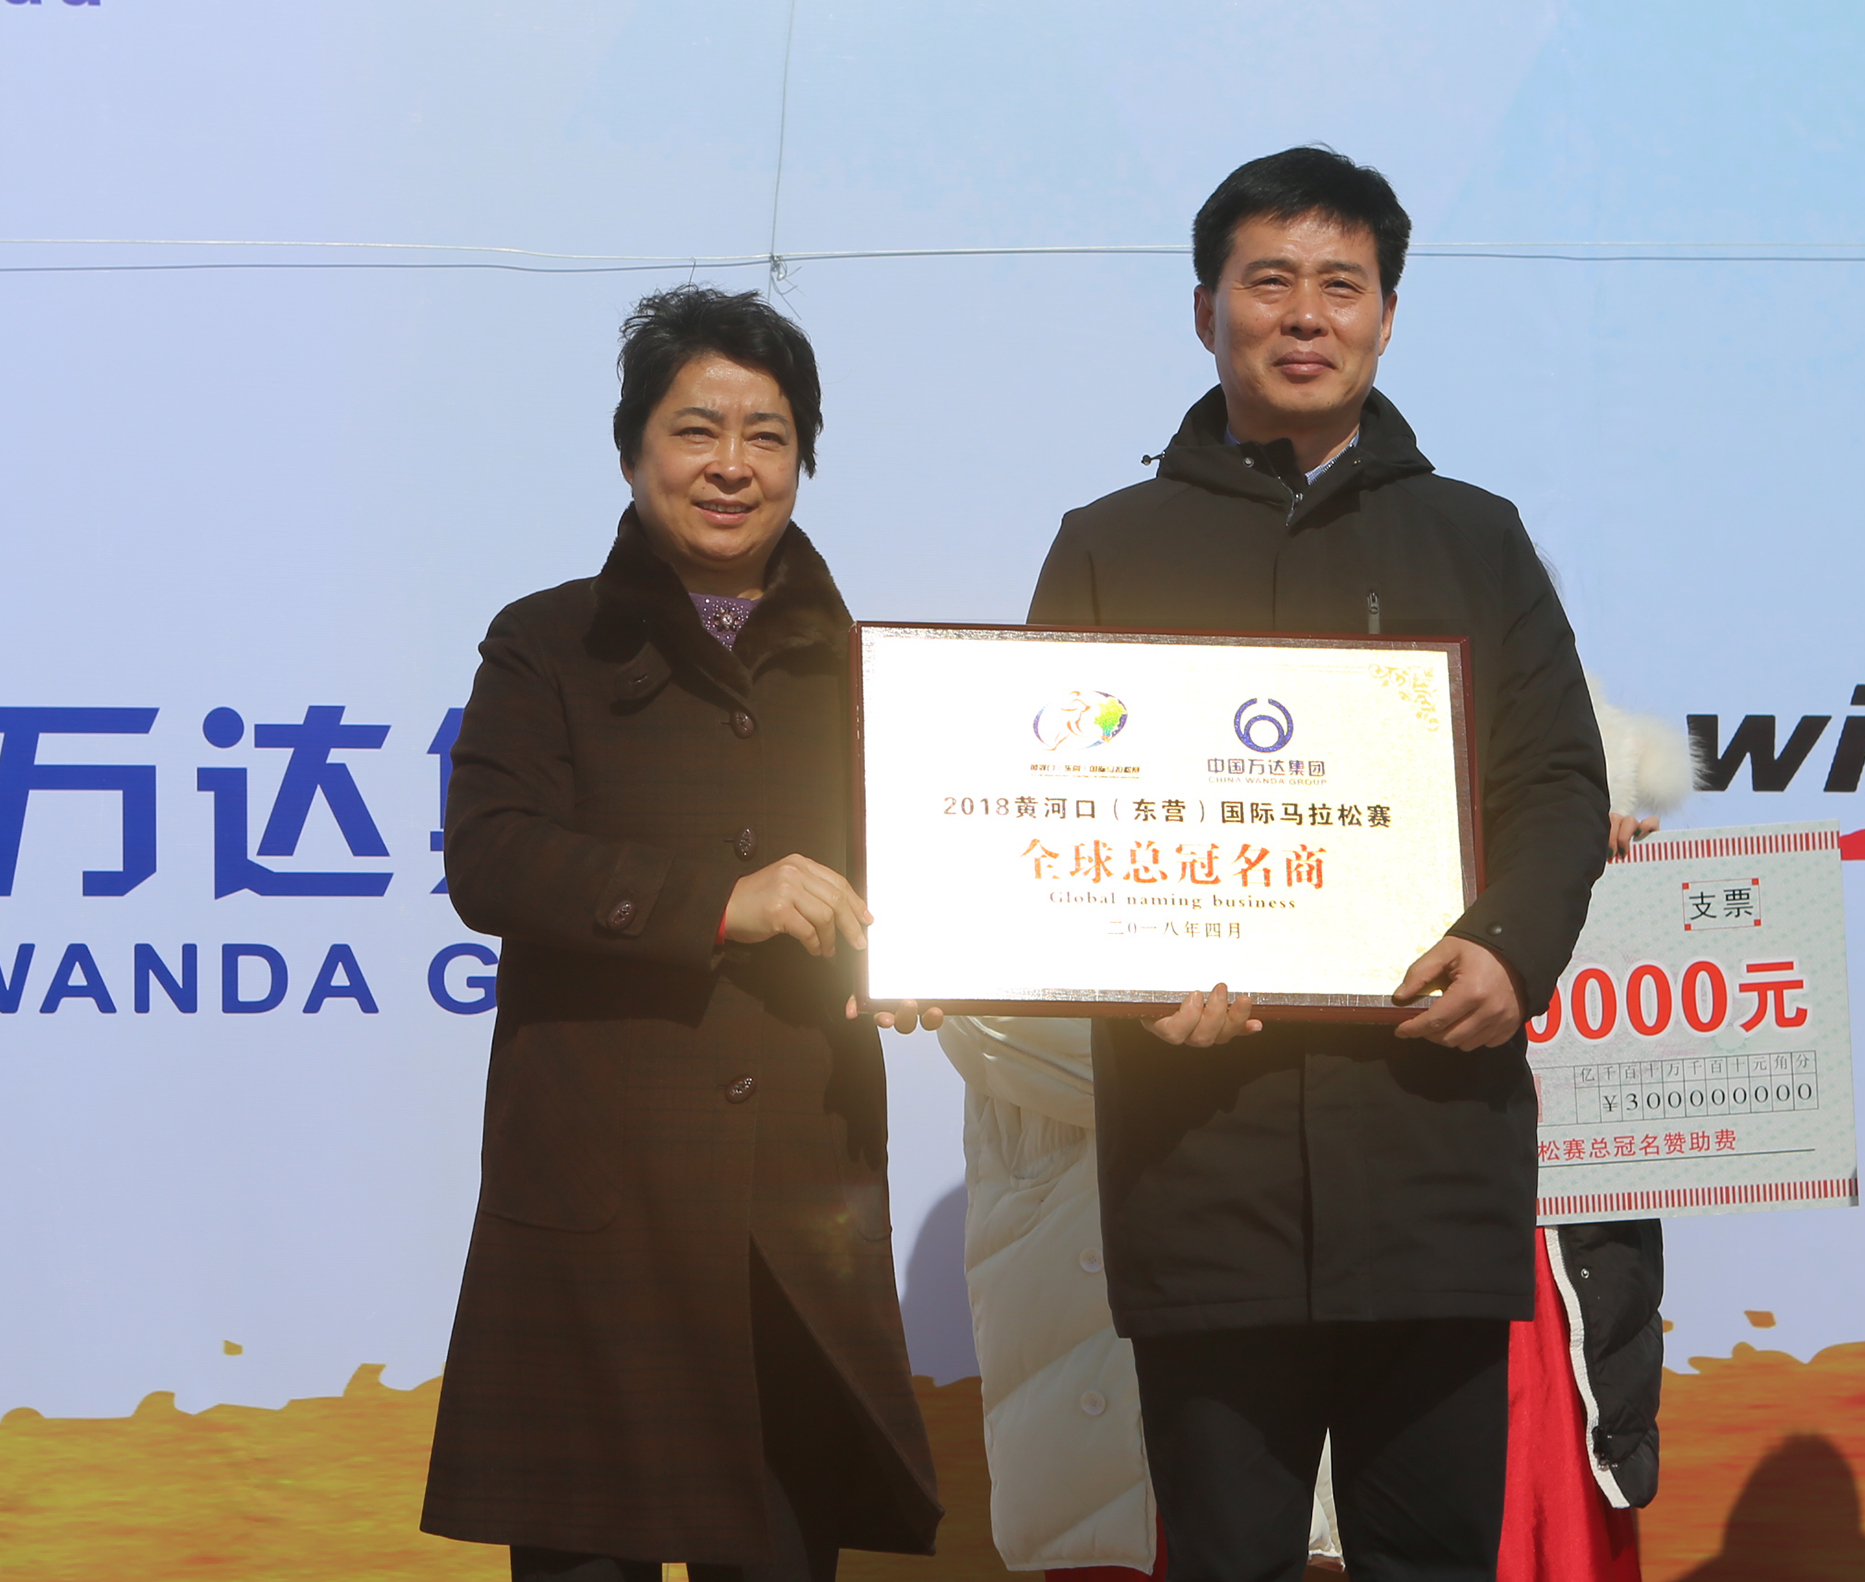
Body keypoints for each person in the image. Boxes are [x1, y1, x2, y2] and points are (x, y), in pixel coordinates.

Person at [1026, 148, 1611, 1582]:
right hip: (1201, 1158)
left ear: (1387, 316)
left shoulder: (1475, 538)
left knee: (1431, 1555)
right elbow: (1046, 815)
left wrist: (1510, 950)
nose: (1304, 315)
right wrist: (1130, 975)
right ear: (1205, 309)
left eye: (1340, 285)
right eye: (1268, 280)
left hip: (1428, 1149)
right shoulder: (1106, 548)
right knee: (1225, 1556)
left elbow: (1554, 780)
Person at [420, 285, 941, 1582]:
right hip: (599, 1192)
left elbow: (924, 876)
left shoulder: (879, 673)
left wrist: (921, 956)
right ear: (631, 450)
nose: (731, 464)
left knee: (780, 1545)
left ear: (803, 459)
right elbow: (491, 856)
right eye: (695, 429)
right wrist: (716, 899)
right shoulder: (545, 642)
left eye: (768, 434)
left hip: (793, 1191)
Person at [938, 684, 1689, 1582]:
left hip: (1487, 1270)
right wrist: (1223, 990)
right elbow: (996, 1028)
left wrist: (1563, 896)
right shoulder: (1053, 852)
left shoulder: (1540, 793)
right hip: (1202, 1296)